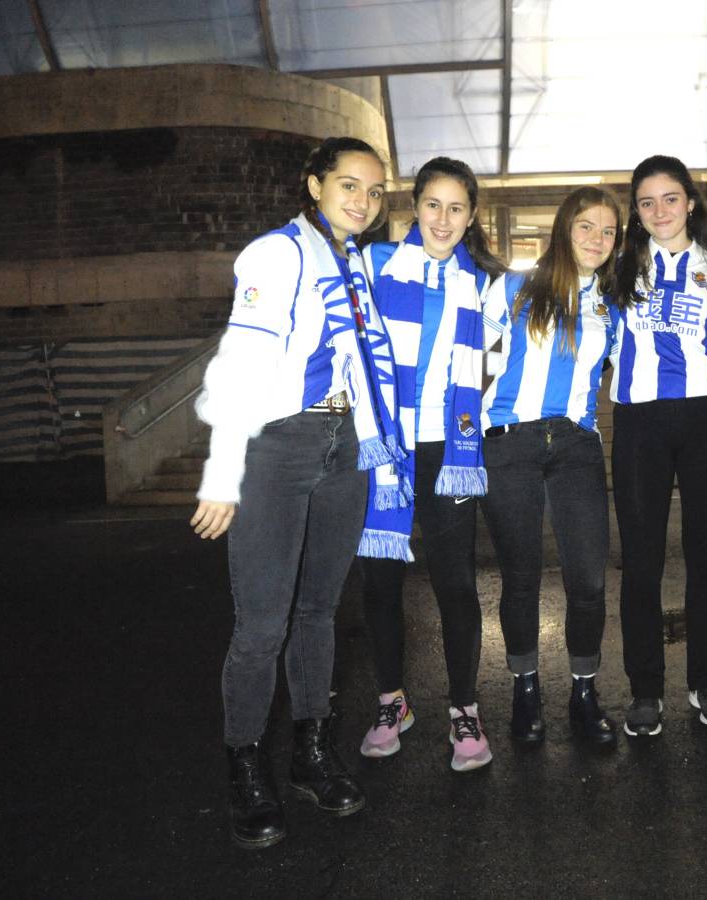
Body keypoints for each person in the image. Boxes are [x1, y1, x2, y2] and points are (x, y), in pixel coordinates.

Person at [191, 137, 391, 848]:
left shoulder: (354, 261)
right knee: (260, 627)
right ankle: (245, 767)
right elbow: (240, 361)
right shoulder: (277, 254)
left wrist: (372, 446)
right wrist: (223, 474)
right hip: (273, 449)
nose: (362, 200)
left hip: (342, 449)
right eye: (348, 185)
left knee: (319, 613)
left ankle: (310, 752)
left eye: (374, 190)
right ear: (314, 185)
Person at [355, 157, 504, 773]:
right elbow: (349, 350)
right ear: (413, 207)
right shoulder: (374, 264)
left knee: (456, 585)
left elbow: (499, 362)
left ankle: (464, 709)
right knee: (379, 584)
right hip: (387, 448)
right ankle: (393, 700)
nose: (444, 219)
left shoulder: (487, 282)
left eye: (457, 207)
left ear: (472, 216)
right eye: (433, 205)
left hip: (450, 452)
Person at [480, 186, 622, 746]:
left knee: (588, 579)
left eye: (608, 231)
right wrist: (467, 442)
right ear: (564, 228)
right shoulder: (515, 287)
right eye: (587, 226)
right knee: (520, 578)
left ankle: (584, 693)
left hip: (576, 445)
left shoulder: (608, 304)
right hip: (510, 442)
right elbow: (475, 367)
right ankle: (526, 690)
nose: (597, 240)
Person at [609, 155, 707, 736]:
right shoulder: (616, 266)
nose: (659, 210)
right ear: (635, 212)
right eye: (646, 201)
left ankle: (705, 681)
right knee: (641, 561)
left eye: (669, 198)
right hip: (639, 420)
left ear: (690, 201)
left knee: (704, 554)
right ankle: (645, 690)